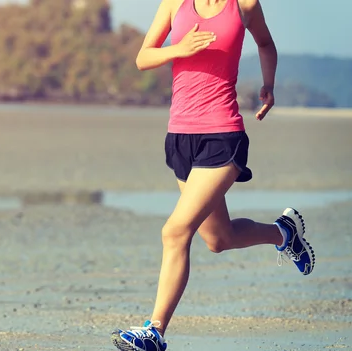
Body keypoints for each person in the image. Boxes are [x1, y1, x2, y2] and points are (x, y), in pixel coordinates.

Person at [110, 0, 315, 350]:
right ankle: (284, 233)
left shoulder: (245, 4)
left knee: (175, 231)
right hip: (180, 137)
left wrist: (269, 84)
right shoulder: (174, 3)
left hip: (223, 136)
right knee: (218, 240)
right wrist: (179, 48)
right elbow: (143, 57)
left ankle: (154, 332)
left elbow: (265, 43)